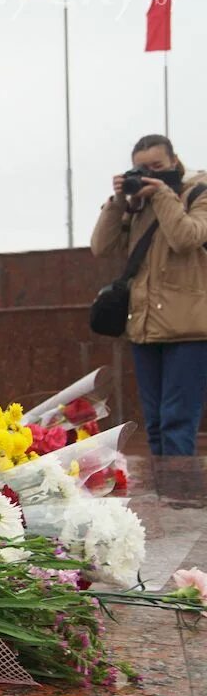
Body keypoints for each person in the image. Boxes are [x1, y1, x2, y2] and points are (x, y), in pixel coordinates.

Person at [90, 134, 207, 455]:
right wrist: (118, 203)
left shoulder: (198, 193)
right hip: (144, 327)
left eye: (158, 166)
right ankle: (162, 492)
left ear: (174, 162)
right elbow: (101, 247)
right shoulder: (137, 204)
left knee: (177, 420)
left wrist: (163, 195)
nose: (151, 173)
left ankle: (181, 497)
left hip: (189, 329)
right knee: (154, 422)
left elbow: (187, 238)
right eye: (142, 168)